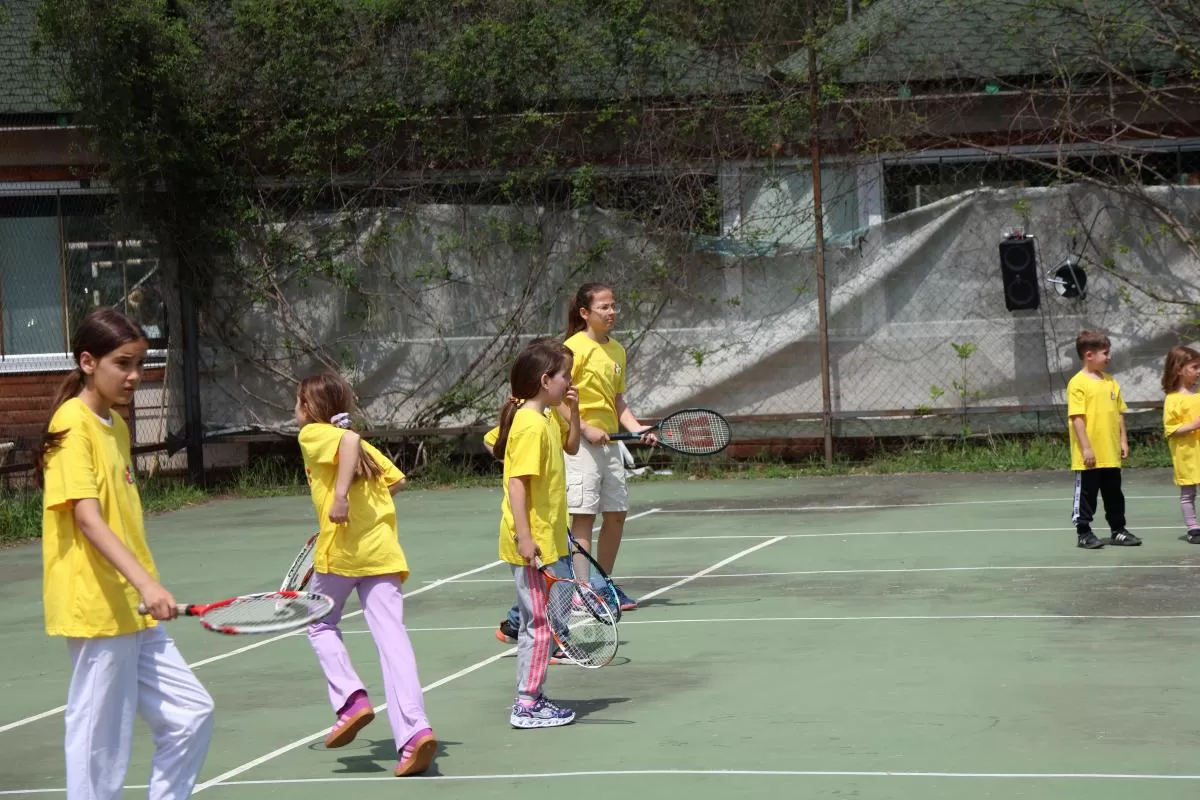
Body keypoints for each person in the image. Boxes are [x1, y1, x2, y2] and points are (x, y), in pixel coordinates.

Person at [38, 307, 214, 800]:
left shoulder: (114, 424)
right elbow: (88, 518)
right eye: (123, 363)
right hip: (98, 607)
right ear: (88, 362)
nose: (135, 375)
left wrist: (142, 587)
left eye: (140, 363)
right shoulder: (71, 424)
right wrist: (146, 583)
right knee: (100, 742)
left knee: (190, 714)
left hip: (133, 610)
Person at [295, 372, 436, 776]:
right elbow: (397, 480)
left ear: (310, 407)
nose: (295, 410)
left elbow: (348, 441)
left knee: (319, 623)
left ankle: (351, 699)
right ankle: (415, 733)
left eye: (297, 402)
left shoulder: (314, 434)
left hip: (343, 552)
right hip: (382, 552)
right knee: (394, 642)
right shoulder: (359, 445)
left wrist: (340, 498)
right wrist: (361, 508)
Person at [495, 340, 581, 727]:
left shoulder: (544, 418)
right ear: (545, 380)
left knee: (540, 622)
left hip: (547, 538)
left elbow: (570, 449)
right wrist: (525, 537)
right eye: (565, 376)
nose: (570, 382)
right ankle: (526, 704)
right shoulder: (530, 424)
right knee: (540, 624)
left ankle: (533, 696)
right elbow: (518, 484)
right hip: (532, 545)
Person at [563, 283, 656, 610]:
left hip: (611, 445)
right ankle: (581, 590)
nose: (611, 312)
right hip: (580, 446)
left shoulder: (617, 350)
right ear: (584, 312)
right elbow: (558, 399)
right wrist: (585, 428)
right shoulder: (571, 349)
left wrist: (637, 429)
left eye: (613, 305)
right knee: (584, 516)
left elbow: (617, 402)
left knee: (616, 514)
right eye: (604, 307)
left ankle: (602, 585)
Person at [1068, 330, 1140, 549]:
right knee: (1087, 495)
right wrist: (1086, 448)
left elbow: (1119, 414)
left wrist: (1123, 441)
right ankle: (1084, 533)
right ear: (1089, 355)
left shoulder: (1111, 382)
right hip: (1089, 455)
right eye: (1105, 353)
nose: (1109, 357)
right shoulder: (1077, 383)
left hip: (1110, 453)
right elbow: (1077, 418)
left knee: (1114, 494)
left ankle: (1118, 530)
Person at [1161, 345, 1200, 544]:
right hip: (1187, 455)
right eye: (1194, 367)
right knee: (1188, 493)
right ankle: (1193, 528)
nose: (1199, 371)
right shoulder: (1172, 399)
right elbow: (1171, 429)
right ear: (1179, 370)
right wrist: (1193, 425)